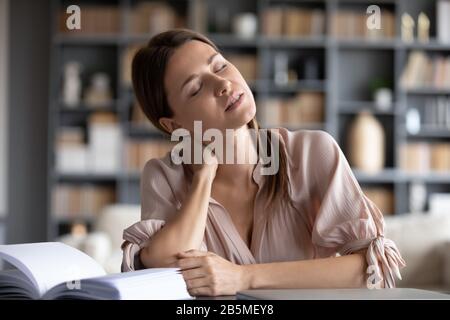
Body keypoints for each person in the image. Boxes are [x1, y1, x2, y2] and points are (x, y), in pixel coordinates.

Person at [121, 28, 405, 296]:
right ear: (173, 124)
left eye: (220, 66)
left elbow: (373, 271)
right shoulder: (164, 176)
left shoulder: (311, 153)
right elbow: (162, 270)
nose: (222, 84)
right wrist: (203, 176)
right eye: (195, 88)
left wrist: (243, 277)